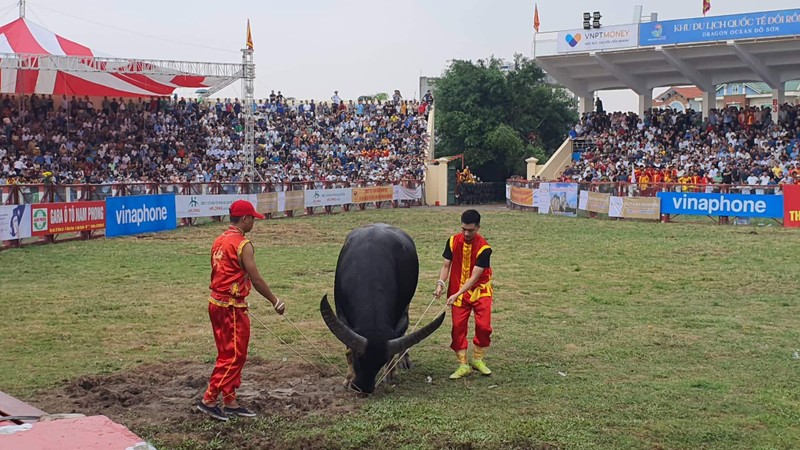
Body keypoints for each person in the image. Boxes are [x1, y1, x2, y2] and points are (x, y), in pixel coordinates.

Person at [198, 200, 286, 421]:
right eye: (252, 218)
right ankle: (209, 399)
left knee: (226, 352)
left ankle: (230, 400)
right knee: (236, 355)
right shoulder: (242, 244)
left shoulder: (219, 240)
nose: (254, 222)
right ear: (245, 219)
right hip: (231, 308)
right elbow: (255, 278)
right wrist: (275, 301)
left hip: (216, 303)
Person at [433, 209, 494, 379]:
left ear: (478, 228)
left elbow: (474, 277)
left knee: (484, 326)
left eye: (471, 230)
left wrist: (456, 294)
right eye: (463, 229)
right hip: (457, 292)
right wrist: (440, 283)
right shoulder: (452, 241)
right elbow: (446, 266)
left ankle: (478, 359)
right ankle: (462, 364)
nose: (466, 233)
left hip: (480, 291)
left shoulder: (484, 249)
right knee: (458, 328)